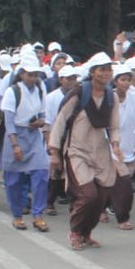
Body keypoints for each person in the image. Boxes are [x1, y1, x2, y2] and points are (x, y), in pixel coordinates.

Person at [47, 53, 123, 250]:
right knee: (88, 194)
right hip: (77, 151)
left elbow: (115, 125)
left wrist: (115, 145)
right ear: (92, 72)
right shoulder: (79, 94)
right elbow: (60, 121)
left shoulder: (110, 96)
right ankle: (75, 231)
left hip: (101, 152)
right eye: (102, 69)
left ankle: (86, 233)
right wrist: (54, 152)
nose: (106, 73)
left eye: (109, 69)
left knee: (101, 197)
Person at [0, 51, 50, 231]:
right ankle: (17, 214)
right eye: (30, 74)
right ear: (21, 74)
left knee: (41, 173)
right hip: (16, 135)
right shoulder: (12, 92)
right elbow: (8, 121)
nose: (33, 78)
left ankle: (38, 214)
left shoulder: (40, 89)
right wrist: (14, 144)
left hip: (33, 134)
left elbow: (44, 114)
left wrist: (41, 122)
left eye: (35, 74)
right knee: (14, 179)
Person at [107, 63, 135, 230]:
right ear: (115, 81)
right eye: (122, 80)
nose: (126, 83)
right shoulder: (108, 98)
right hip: (110, 147)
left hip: (129, 147)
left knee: (116, 183)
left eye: (128, 80)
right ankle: (122, 218)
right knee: (124, 185)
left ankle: (106, 207)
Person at [43, 64, 81, 215]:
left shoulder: (78, 95)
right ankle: (49, 202)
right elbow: (48, 122)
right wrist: (50, 144)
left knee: (72, 172)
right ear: (61, 79)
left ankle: (74, 204)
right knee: (55, 173)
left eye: (74, 78)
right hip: (57, 136)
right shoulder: (52, 98)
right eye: (68, 78)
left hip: (72, 138)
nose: (72, 81)